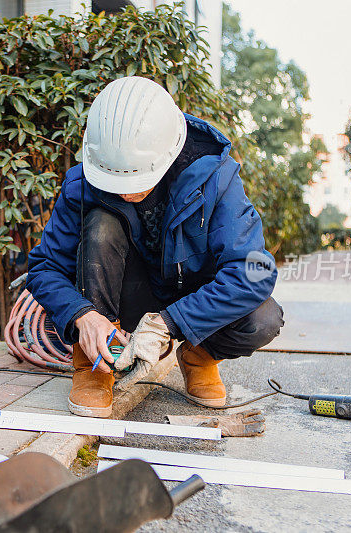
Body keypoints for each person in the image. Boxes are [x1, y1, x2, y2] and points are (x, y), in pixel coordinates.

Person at [26, 76, 284, 418]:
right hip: (121, 300)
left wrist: (169, 323)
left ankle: (198, 354)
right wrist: (83, 316)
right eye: (114, 181)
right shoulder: (82, 185)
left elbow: (253, 275)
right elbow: (45, 268)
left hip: (191, 299)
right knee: (101, 225)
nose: (124, 193)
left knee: (262, 319)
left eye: (135, 181)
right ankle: (94, 363)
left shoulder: (217, 180)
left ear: (168, 153)